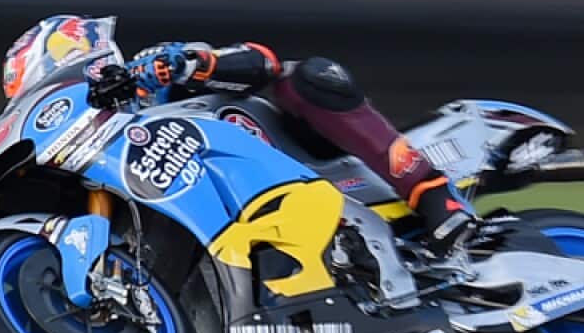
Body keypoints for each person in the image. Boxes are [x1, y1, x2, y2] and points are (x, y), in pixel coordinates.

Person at [128, 40, 474, 254]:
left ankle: (432, 192)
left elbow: (264, 62)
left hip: (315, 164)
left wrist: (189, 64)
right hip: (258, 229)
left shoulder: (161, 81)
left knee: (310, 75)